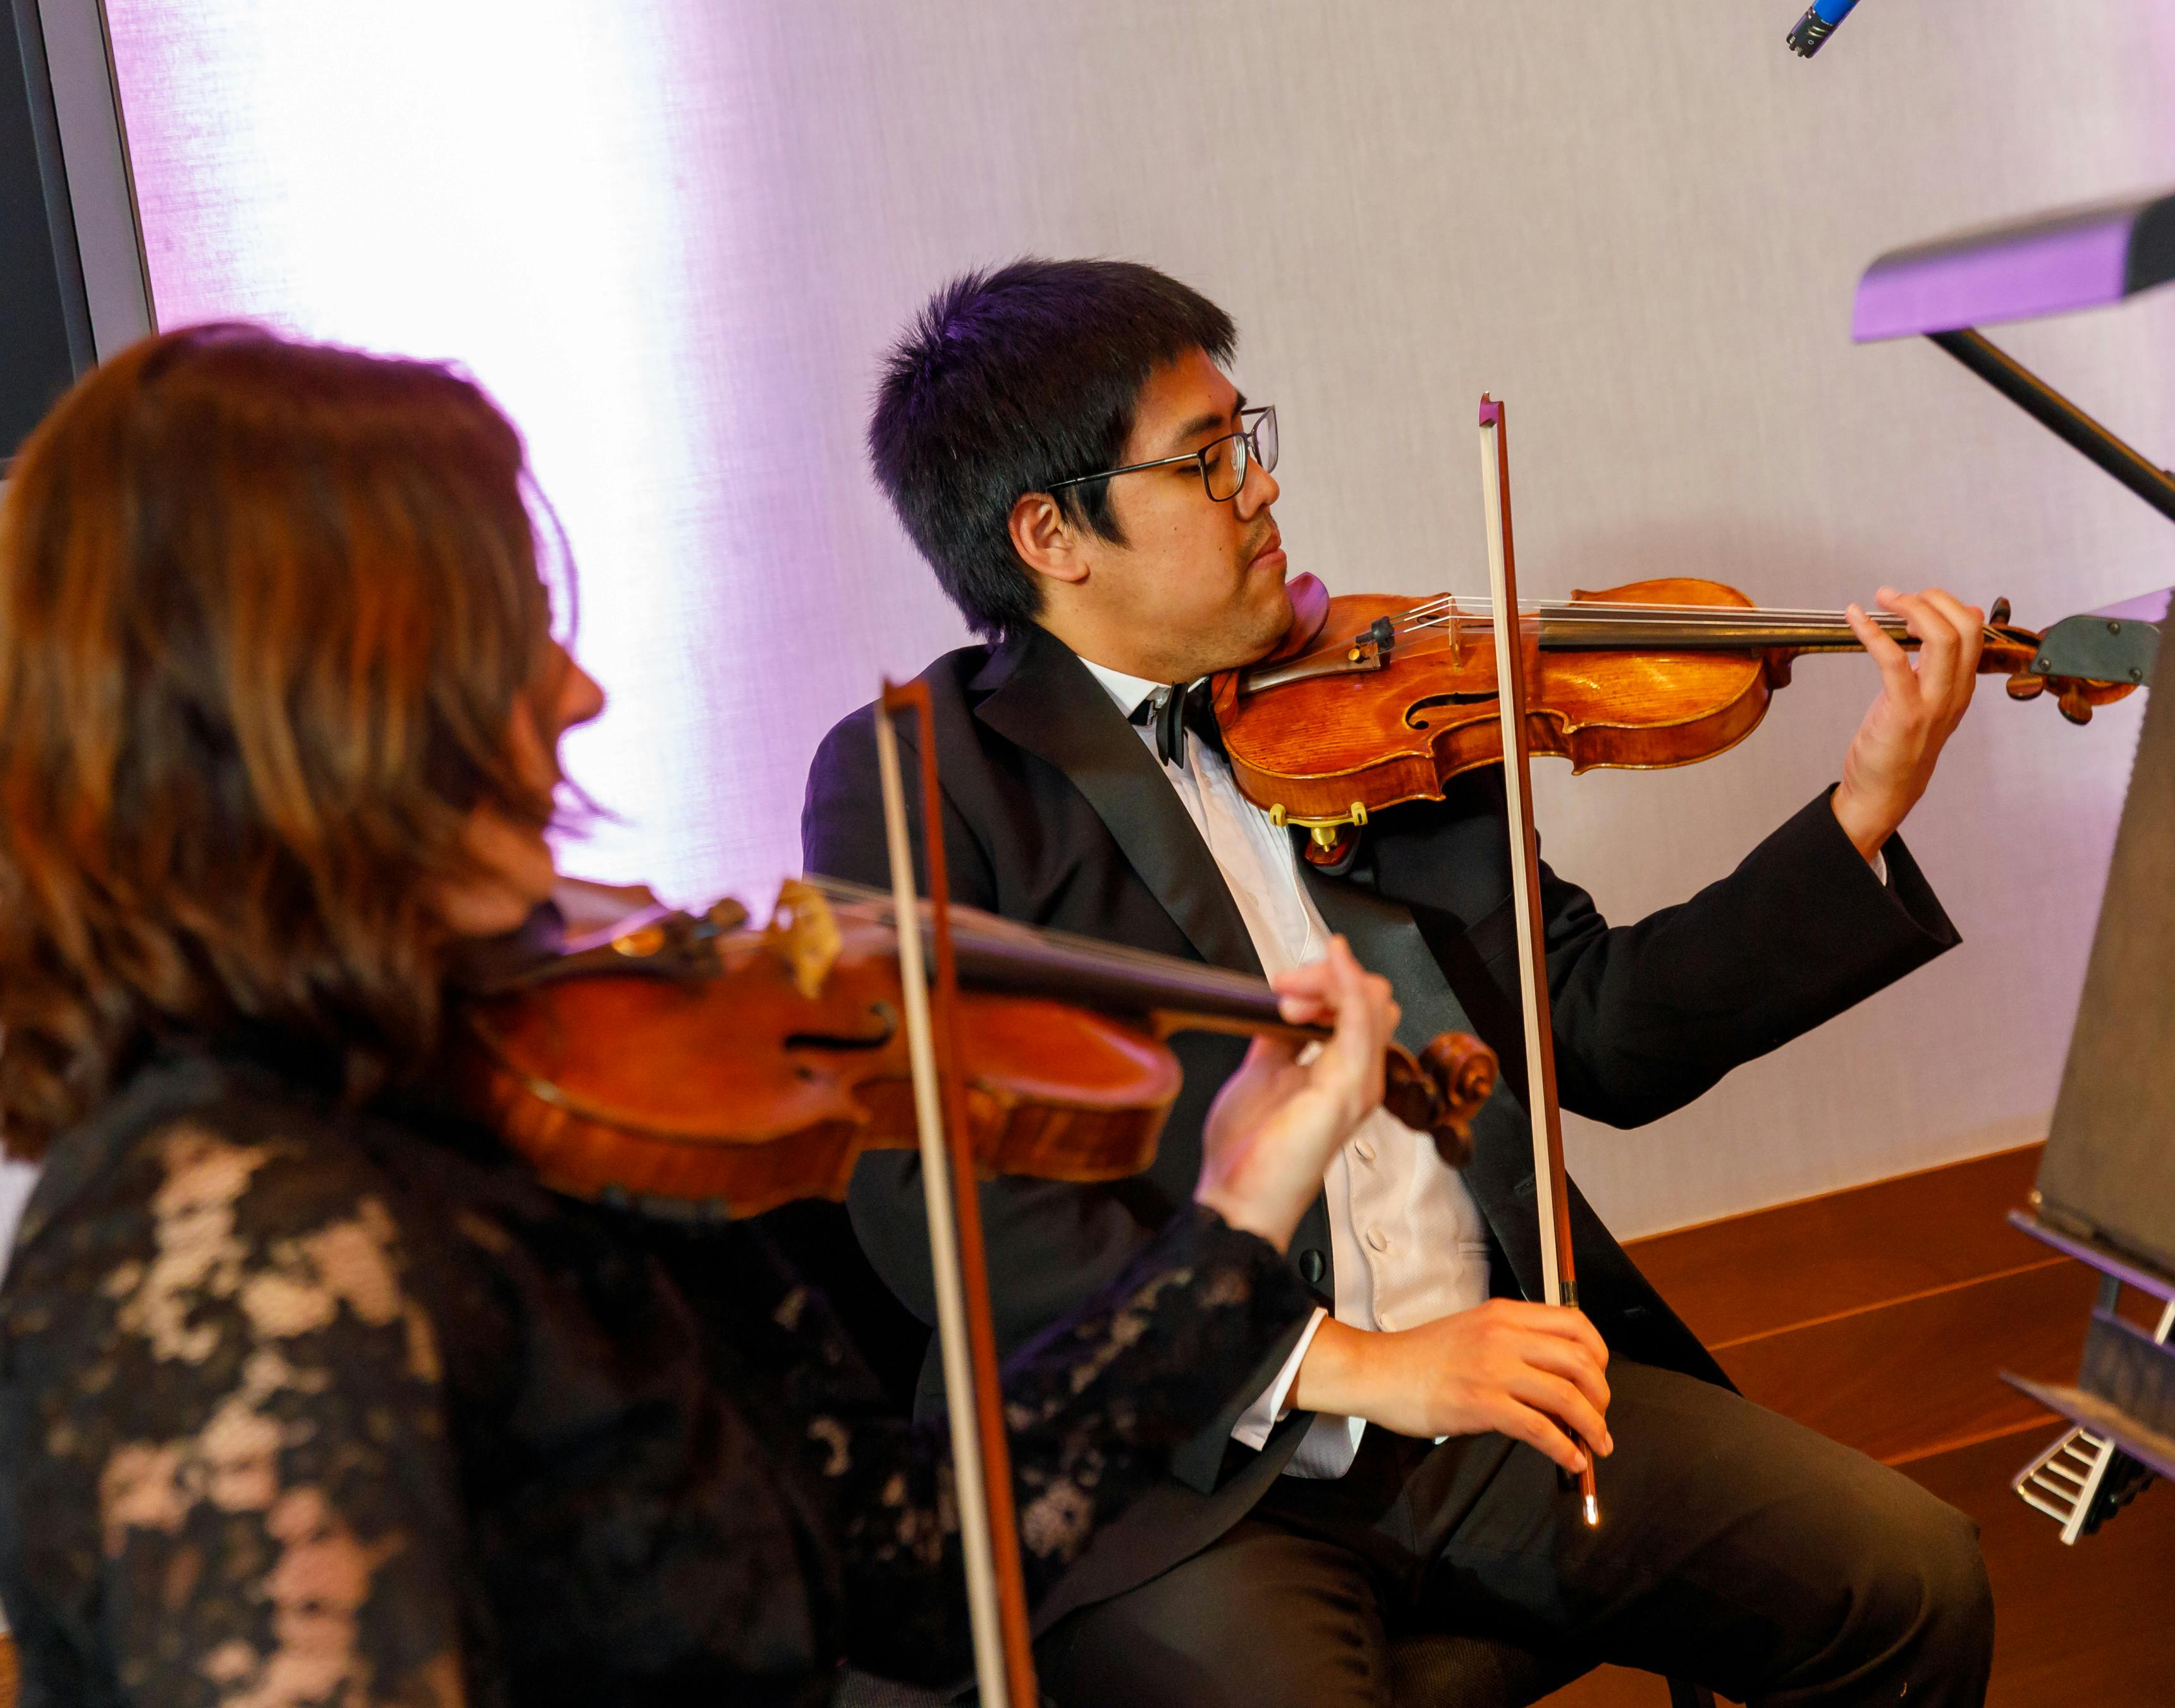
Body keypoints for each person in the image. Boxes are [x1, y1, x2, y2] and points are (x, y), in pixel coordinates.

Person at [0, 322, 1410, 1707]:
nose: (579, 688)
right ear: (303, 714)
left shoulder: (530, 1102)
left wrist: (1233, 1212)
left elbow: (914, 1567)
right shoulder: (222, 1251)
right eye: (507, 633)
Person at [805, 259, 1997, 1707]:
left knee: (1910, 1578)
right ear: (1051, 532)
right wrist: (1351, 1364)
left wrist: (1857, 817)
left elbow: (1599, 1031)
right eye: (1207, 459)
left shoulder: (1370, 702)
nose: (1260, 489)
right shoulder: (925, 776)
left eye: (1251, 441)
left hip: (1493, 1413)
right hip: (1172, 1485)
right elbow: (933, 1191)